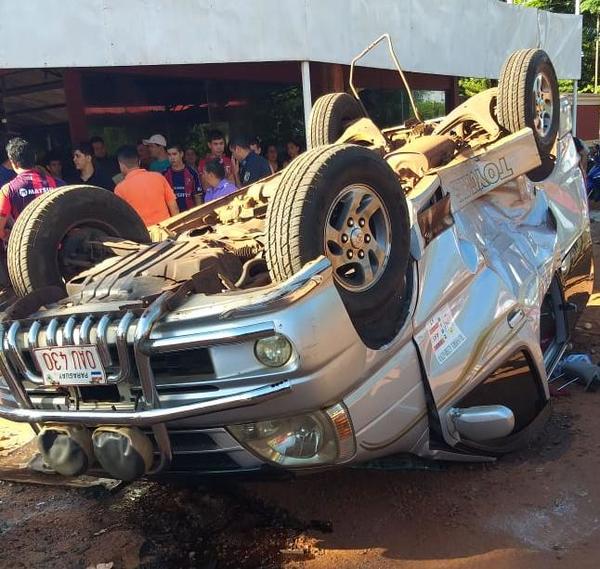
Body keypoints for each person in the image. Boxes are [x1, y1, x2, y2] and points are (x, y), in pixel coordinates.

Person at [0, 137, 64, 239]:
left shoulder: (8, 190)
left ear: (13, 162)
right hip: (58, 248)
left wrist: (6, 235)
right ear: (34, 158)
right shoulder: (58, 184)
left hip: (26, 249)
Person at [114, 145, 179, 226]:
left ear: (121, 165)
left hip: (141, 236)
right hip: (166, 231)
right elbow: (174, 207)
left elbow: (122, 219)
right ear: (139, 162)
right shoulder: (158, 177)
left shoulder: (120, 189)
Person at [163, 143, 203, 211]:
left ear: (181, 154)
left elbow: (197, 196)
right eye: (169, 155)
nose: (172, 158)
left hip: (190, 214)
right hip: (172, 216)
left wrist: (198, 214)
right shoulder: (164, 174)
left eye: (174, 154)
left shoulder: (192, 173)